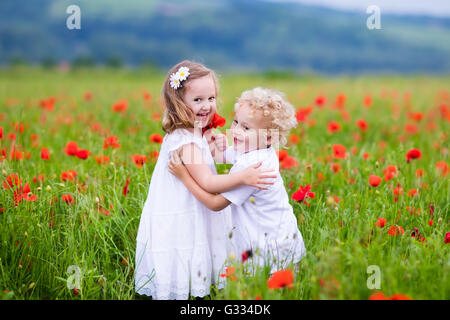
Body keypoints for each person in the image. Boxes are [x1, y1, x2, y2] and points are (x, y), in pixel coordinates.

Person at [135, 62, 276, 300]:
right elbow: (208, 182)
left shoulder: (191, 134)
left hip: (191, 206)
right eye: (198, 100)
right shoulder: (186, 141)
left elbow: (200, 166)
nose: (207, 105)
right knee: (187, 247)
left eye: (211, 98)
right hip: (185, 211)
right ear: (178, 103)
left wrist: (212, 151)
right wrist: (242, 176)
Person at [169, 87, 306, 275]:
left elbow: (215, 203)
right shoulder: (258, 150)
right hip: (281, 238)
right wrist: (210, 140)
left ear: (267, 136)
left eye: (246, 128)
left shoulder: (253, 167)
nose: (236, 131)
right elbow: (221, 155)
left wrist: (184, 177)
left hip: (272, 248)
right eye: (236, 122)